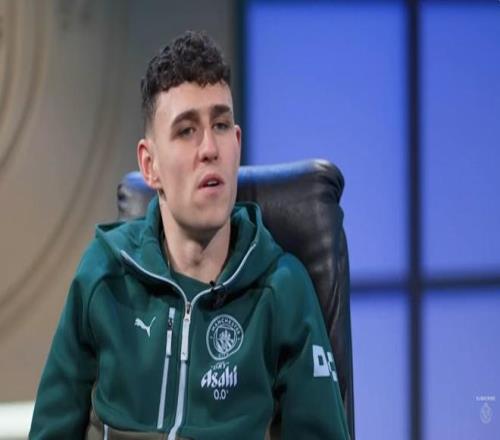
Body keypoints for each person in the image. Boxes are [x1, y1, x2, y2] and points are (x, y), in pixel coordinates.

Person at [30, 31, 350, 439]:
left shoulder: (282, 289)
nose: (209, 148)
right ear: (150, 165)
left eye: (221, 125)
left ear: (237, 144)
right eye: (186, 130)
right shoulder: (104, 274)